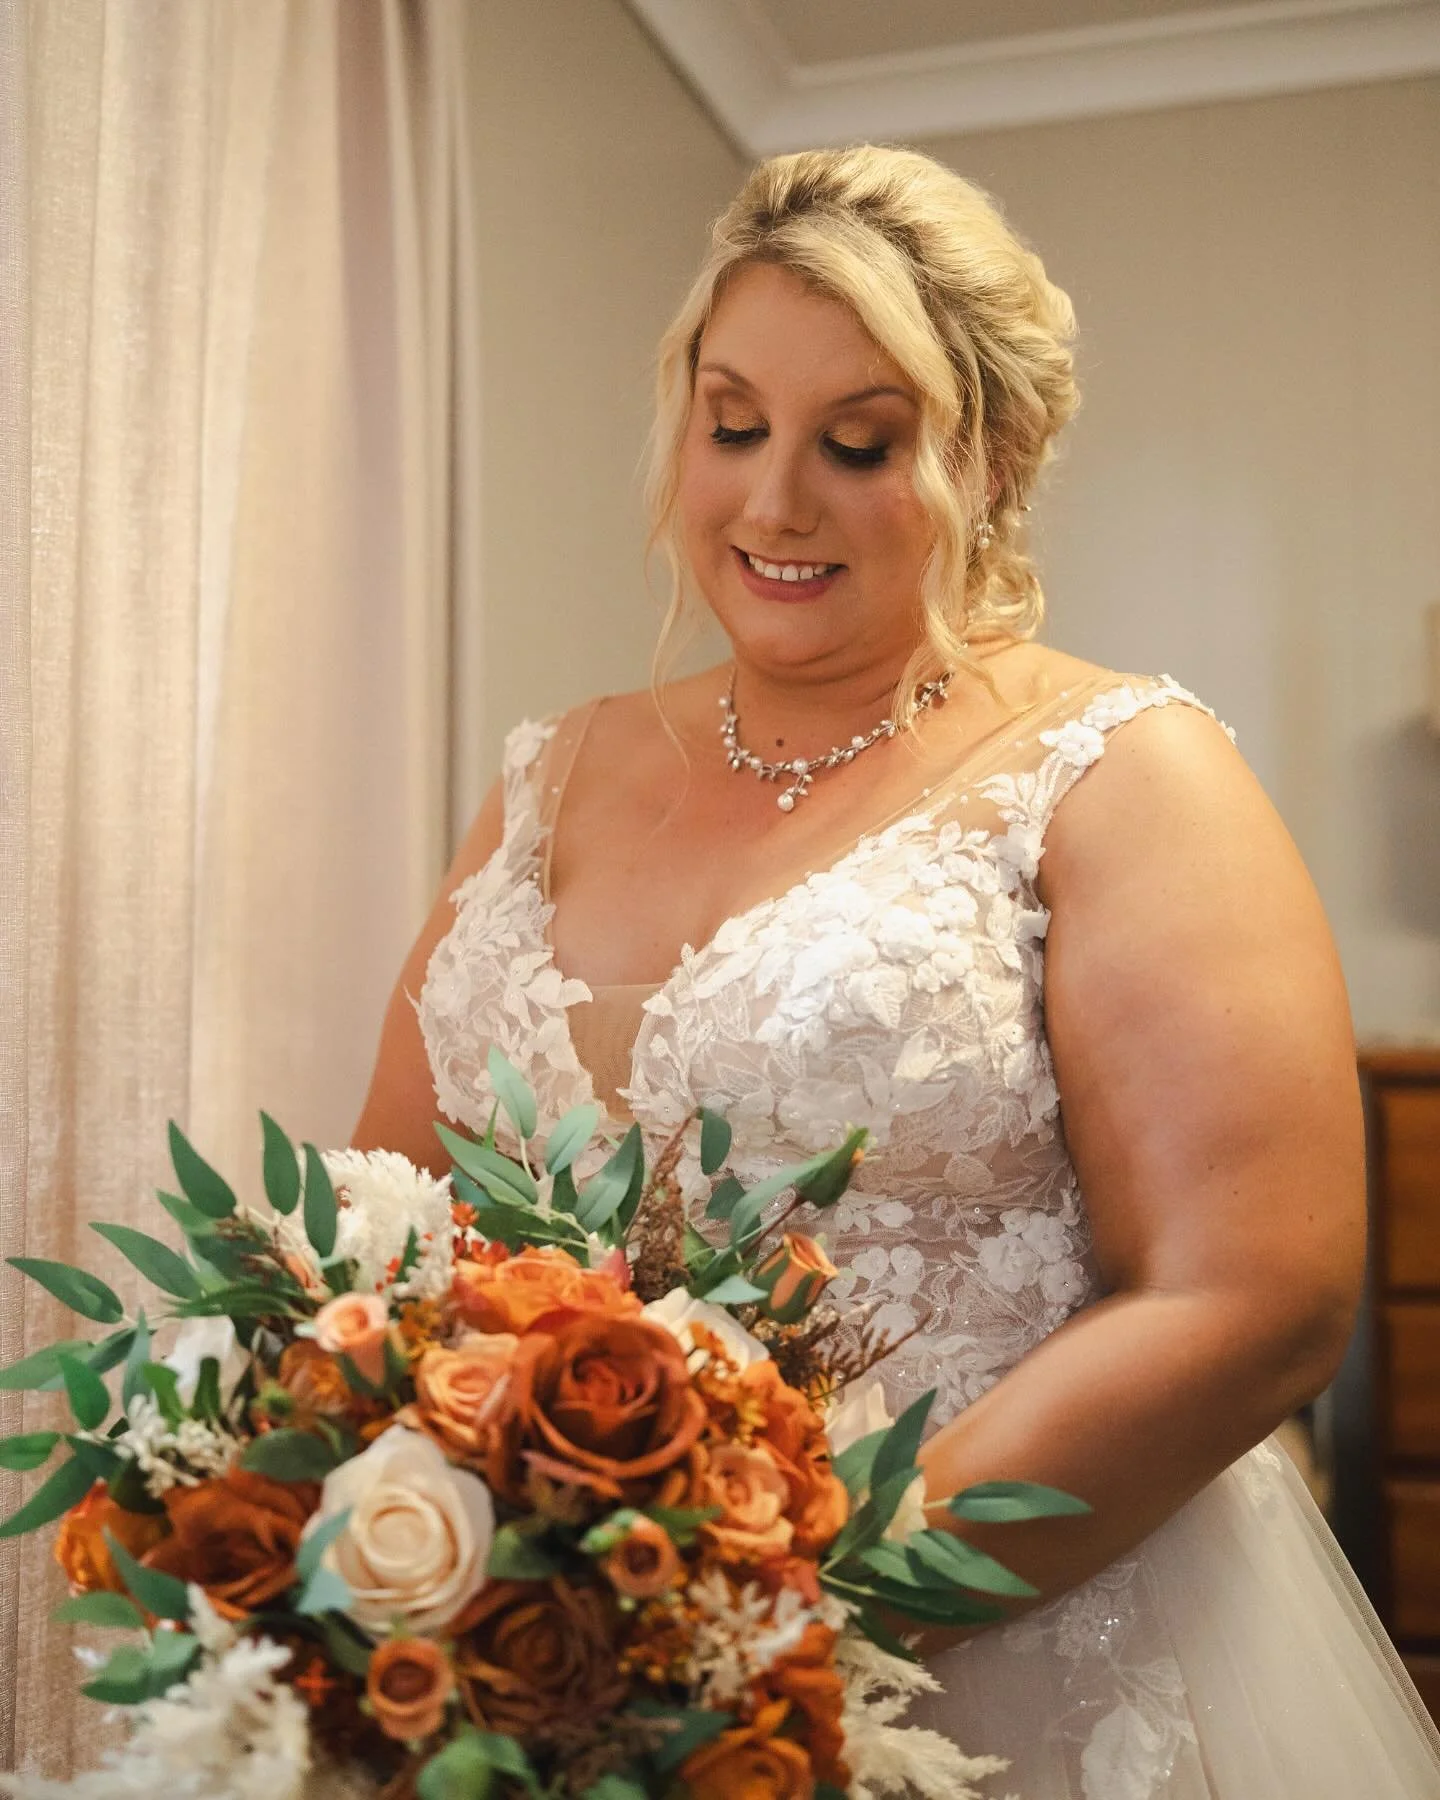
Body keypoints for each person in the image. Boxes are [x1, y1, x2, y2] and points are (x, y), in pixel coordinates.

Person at [353, 145, 1440, 1796]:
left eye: (859, 443)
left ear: (992, 458)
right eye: (734, 427)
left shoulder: (1123, 776)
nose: (775, 503)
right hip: (549, 1668)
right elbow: (395, 1225)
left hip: (991, 1662)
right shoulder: (546, 777)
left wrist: (767, 1634)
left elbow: (1250, 1298)